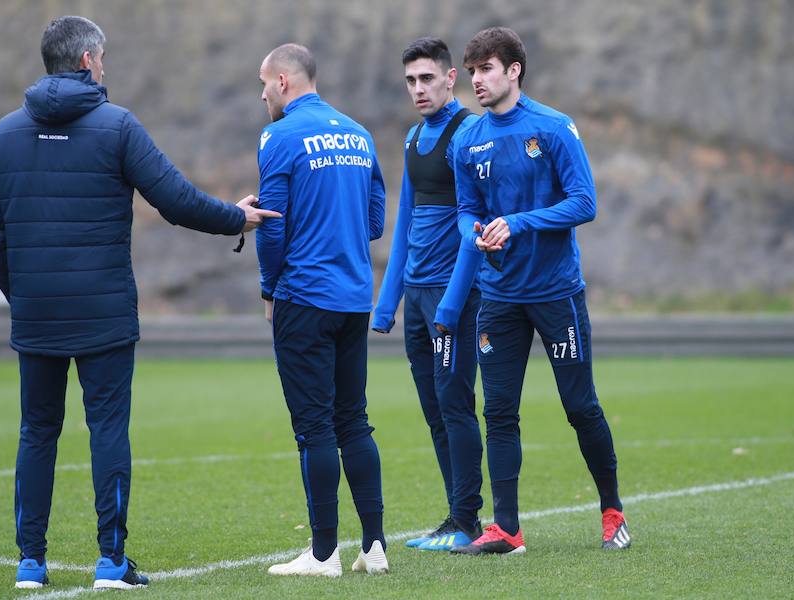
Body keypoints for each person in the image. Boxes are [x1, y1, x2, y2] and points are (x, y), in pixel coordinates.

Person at [0, 16, 279, 590]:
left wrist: (23, 295)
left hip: (37, 313)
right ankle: (111, 562)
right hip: (105, 313)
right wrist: (235, 218)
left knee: (36, 431)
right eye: (104, 57)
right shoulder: (116, 126)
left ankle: (29, 564)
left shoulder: (5, 133)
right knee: (107, 429)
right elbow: (176, 200)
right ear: (89, 61)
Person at [434, 27, 631, 555]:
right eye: (472, 71)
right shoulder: (466, 140)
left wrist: (517, 223)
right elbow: (467, 211)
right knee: (498, 412)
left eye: (486, 69)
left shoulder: (554, 128)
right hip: (498, 296)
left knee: (580, 406)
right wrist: (474, 233)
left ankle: (613, 512)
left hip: (555, 293)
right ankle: (507, 529)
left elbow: (584, 203)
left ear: (514, 71)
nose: (476, 80)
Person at [255, 43, 388, 577]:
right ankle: (374, 547)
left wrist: (269, 287)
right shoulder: (358, 133)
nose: (261, 93)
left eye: (263, 83)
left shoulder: (279, 135)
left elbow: (271, 225)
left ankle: (323, 553)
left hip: (304, 298)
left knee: (314, 427)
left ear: (284, 82)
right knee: (353, 419)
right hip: (355, 296)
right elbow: (375, 219)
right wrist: (339, 229)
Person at [371, 37, 483, 551]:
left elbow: (475, 228)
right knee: (435, 409)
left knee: (455, 404)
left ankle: (468, 523)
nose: (418, 89)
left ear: (449, 78)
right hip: (416, 298)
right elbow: (406, 225)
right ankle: (454, 518)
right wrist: (385, 304)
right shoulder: (415, 139)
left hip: (449, 298)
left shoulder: (469, 134)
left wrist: (452, 304)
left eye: (427, 79)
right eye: (411, 80)